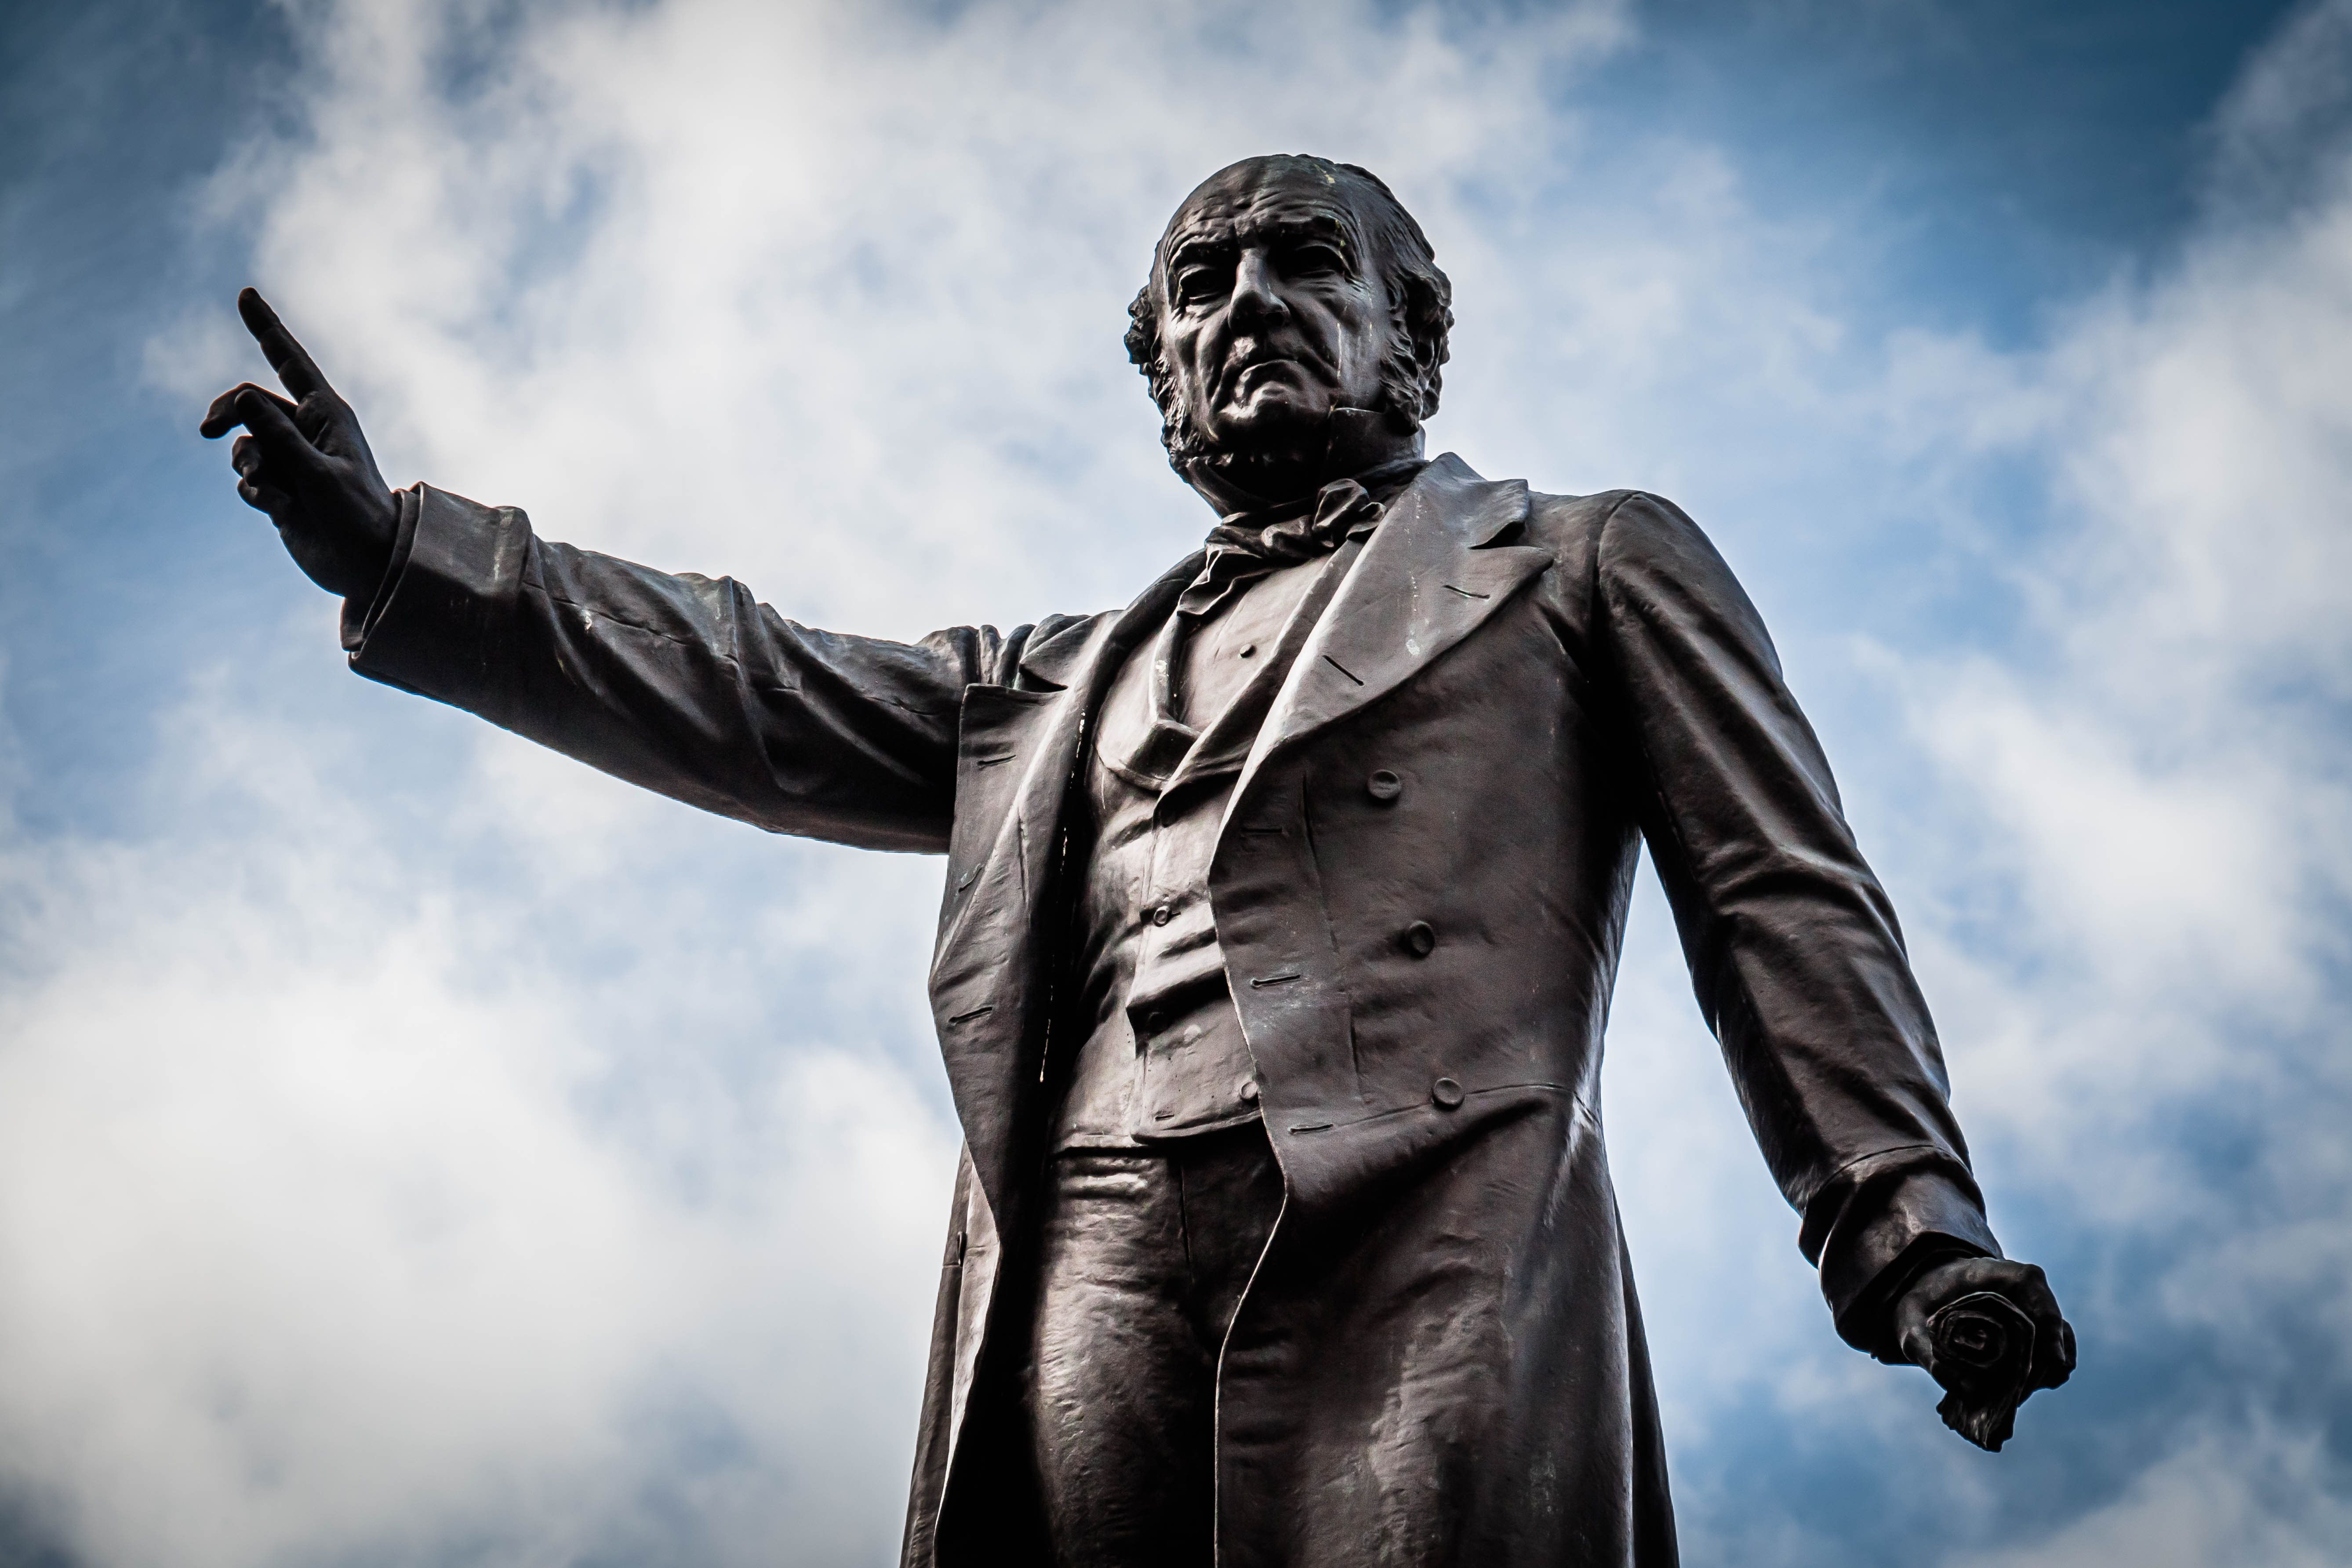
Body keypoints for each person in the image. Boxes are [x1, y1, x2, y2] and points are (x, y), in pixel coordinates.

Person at [202, 153, 2073, 1568]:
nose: (1247, 296)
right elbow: (750, 685)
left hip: (1423, 1233)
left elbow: (1780, 896)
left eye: (1303, 257)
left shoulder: (1582, 564)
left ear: (1416, 330)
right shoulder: (1052, 685)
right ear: (1162, 367)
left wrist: (1908, 1235)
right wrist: (408, 557)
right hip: (1093, 1245)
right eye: (1201, 279)